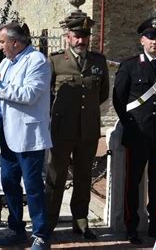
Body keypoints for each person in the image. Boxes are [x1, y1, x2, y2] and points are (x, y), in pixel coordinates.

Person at [0, 22, 52, 250]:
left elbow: (29, 94)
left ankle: (41, 235)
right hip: (7, 136)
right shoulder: (5, 62)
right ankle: (17, 229)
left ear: (15, 42)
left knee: (33, 186)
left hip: (28, 136)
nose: (0, 47)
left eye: (2, 42)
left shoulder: (37, 61)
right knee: (9, 183)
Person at [112, 17, 156, 244]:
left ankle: (155, 223)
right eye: (150, 37)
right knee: (133, 181)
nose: (154, 42)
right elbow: (119, 98)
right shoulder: (130, 65)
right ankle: (131, 226)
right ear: (142, 40)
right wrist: (130, 123)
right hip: (137, 133)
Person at [44, 17, 109, 239]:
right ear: (68, 37)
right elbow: (47, 93)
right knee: (55, 177)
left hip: (88, 130)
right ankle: (49, 223)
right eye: (77, 36)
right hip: (61, 130)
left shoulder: (98, 62)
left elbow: (103, 94)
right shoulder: (55, 61)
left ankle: (80, 221)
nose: (81, 40)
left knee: (83, 177)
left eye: (85, 36)